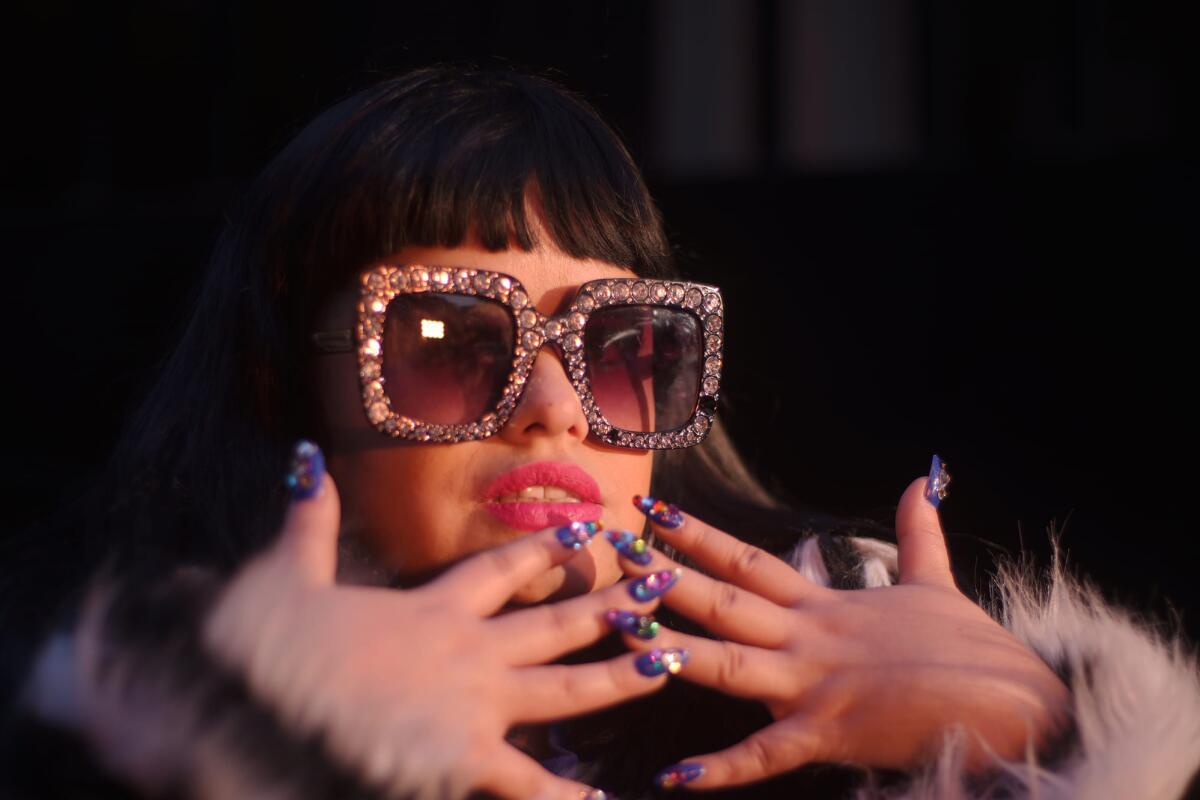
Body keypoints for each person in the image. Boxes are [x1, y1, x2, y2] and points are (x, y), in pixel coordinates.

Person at [4, 66, 1199, 800]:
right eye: (450, 341)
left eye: (623, 347)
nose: (558, 407)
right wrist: (232, 741)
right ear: (281, 389)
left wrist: (1056, 744)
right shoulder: (73, 708)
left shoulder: (858, 708)